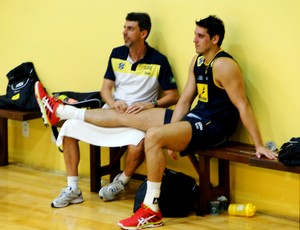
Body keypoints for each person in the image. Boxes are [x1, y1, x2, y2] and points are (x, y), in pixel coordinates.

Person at [35, 15, 278, 229]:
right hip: (197, 117)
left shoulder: (224, 65)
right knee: (129, 114)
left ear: (215, 39)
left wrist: (258, 145)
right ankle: (64, 112)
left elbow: (243, 105)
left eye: (200, 36)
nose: (194, 40)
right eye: (194, 35)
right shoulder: (198, 61)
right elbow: (184, 100)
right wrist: (174, 130)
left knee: (153, 136)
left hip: (216, 127)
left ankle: (151, 209)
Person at [37, 12, 179, 208]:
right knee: (69, 128)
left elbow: (173, 95)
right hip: (110, 113)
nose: (124, 32)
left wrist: (150, 104)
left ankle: (121, 182)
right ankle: (73, 189)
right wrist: (113, 103)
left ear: (143, 33)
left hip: (138, 118)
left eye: (130, 29)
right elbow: (105, 90)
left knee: (138, 145)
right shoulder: (116, 54)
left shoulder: (159, 60)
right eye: (124, 27)